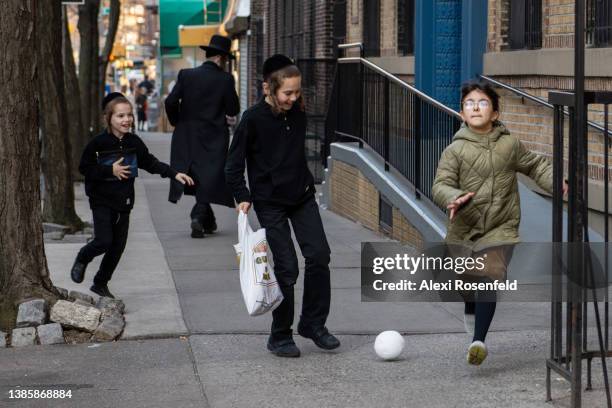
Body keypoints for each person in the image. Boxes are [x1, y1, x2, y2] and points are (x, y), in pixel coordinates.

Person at [431, 80, 567, 366]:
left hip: (501, 227)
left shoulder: (509, 144)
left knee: (490, 275)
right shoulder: (454, 150)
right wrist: (454, 198)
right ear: (462, 113)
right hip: (464, 229)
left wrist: (557, 183)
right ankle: (471, 310)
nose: (476, 107)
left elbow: (534, 165)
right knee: (466, 284)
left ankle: (478, 342)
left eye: (482, 102)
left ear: (495, 113)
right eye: (469, 103)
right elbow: (441, 183)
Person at [225, 54, 340, 358]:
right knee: (287, 267)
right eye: (287, 93)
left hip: (301, 196)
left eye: (297, 92)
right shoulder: (252, 119)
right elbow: (232, 165)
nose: (294, 98)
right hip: (270, 203)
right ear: (268, 89)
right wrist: (243, 195)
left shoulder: (298, 113)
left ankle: (313, 325)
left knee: (319, 255)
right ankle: (279, 335)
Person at [70, 92, 194, 298]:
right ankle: (83, 257)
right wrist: (110, 171)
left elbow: (150, 162)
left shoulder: (134, 143)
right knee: (103, 241)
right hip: (101, 200)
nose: (126, 119)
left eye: (129, 115)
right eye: (120, 116)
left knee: (117, 247)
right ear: (108, 118)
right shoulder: (97, 143)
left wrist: (174, 173)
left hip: (124, 201)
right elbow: (84, 168)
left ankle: (100, 283)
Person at [165, 34, 240, 238]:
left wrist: (177, 122)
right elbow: (233, 108)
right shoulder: (225, 79)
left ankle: (204, 219)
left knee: (198, 176)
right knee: (209, 175)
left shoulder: (186, 75)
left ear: (209, 55)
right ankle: (199, 215)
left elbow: (170, 102)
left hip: (187, 135)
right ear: (221, 59)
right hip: (214, 136)